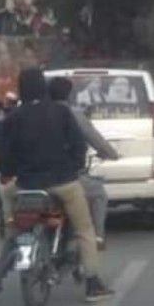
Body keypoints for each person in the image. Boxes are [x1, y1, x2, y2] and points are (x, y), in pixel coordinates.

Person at [0, 68, 113, 304]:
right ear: (43, 86)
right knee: (85, 229)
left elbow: (3, 155)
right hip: (64, 183)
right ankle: (93, 283)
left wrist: (12, 172)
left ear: (21, 88)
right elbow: (78, 146)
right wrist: (73, 167)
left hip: (26, 186)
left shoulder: (12, 118)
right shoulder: (61, 112)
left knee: (15, 232)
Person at [48, 76, 120, 250]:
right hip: (66, 178)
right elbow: (96, 140)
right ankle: (98, 237)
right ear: (69, 95)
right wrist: (111, 154)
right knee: (98, 194)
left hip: (31, 178)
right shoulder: (74, 116)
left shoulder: (33, 114)